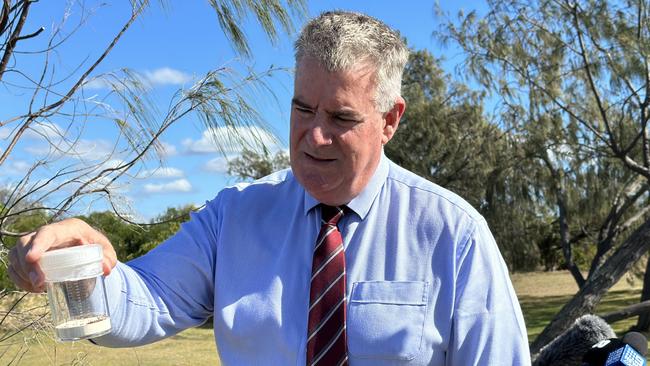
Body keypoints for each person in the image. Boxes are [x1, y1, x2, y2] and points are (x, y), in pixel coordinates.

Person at [8, 11, 531, 365]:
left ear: (390, 119)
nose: (314, 134)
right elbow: (145, 299)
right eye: (302, 108)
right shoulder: (233, 217)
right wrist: (83, 267)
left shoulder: (453, 235)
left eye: (341, 117)